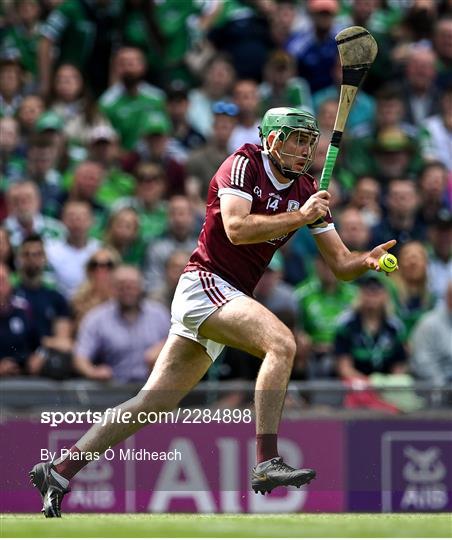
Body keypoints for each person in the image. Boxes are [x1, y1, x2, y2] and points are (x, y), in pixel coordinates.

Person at [30, 106, 397, 517]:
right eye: (295, 138)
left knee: (150, 403)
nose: (302, 149)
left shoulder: (306, 189)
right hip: (204, 282)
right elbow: (236, 229)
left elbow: (341, 265)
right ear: (271, 139)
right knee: (282, 343)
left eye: (308, 142)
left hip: (230, 296)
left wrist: (365, 261)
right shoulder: (242, 163)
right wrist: (300, 215)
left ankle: (58, 471)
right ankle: (266, 460)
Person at [73, 265, 170, 383]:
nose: (127, 289)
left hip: (155, 388)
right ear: (112, 287)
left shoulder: (159, 314)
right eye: (122, 284)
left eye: (132, 284)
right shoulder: (96, 318)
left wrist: (164, 347)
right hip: (114, 388)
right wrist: (92, 372)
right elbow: (80, 356)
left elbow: (179, 343)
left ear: (141, 287)